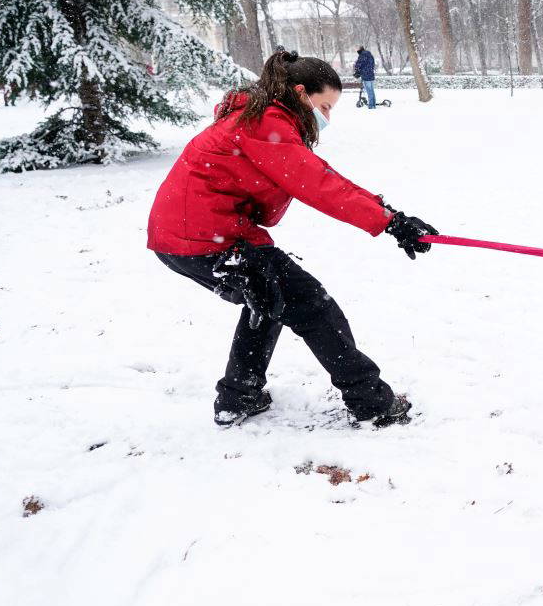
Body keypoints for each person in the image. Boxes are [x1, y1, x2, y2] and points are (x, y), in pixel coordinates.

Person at [146, 50, 437, 427]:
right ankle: (371, 404)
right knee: (314, 306)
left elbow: (322, 176)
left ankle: (239, 396)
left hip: (190, 237)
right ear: (301, 93)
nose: (327, 118)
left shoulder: (260, 116)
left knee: (270, 299)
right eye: (325, 106)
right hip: (205, 239)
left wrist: (389, 215)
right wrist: (390, 221)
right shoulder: (268, 122)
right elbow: (319, 185)